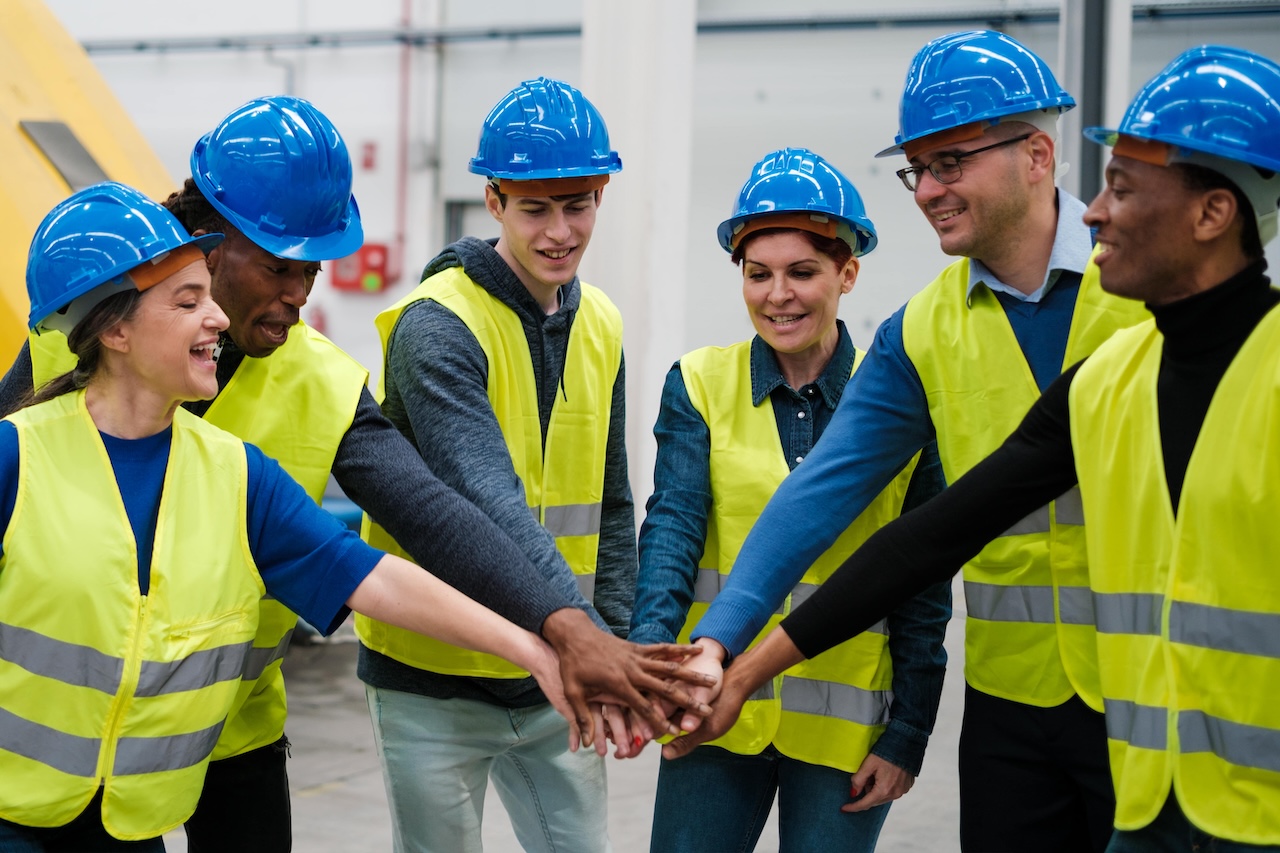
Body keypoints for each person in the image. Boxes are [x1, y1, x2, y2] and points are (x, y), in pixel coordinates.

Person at [0, 96, 711, 853]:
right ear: (204, 250)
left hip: (226, 719)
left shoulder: (310, 398)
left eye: (311, 269)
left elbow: (429, 516)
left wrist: (559, 632)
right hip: (48, 760)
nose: (299, 294)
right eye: (278, 267)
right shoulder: (62, 357)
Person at [673, 43, 1280, 853]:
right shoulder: (932, 334)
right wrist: (727, 648)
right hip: (1015, 699)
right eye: (916, 169)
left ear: (1037, 155)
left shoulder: (1152, 297)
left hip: (1158, 707)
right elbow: (858, 505)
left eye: (949, 162)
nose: (926, 190)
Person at [629, 147, 951, 851]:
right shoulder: (699, 384)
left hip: (843, 727)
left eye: (803, 272)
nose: (779, 295)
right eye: (759, 274)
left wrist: (910, 731)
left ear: (848, 272)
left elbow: (924, 579)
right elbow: (673, 529)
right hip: (711, 708)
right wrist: (653, 671)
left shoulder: (899, 401)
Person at [356, 76, 635, 853]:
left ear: (601, 194)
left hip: (560, 677)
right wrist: (591, 642)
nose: (559, 231)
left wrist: (611, 639)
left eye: (577, 204)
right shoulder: (436, 327)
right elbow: (487, 499)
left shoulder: (602, 320)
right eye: (535, 208)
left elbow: (612, 503)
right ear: (494, 200)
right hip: (432, 681)